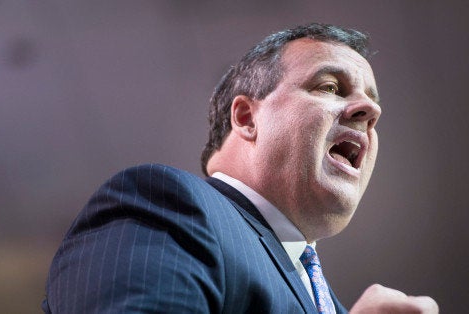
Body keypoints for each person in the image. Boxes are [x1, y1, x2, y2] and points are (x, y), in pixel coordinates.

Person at [42, 23, 438, 313]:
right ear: (247, 118)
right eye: (330, 87)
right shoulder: (167, 205)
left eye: (372, 103)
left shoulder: (327, 300)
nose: (371, 112)